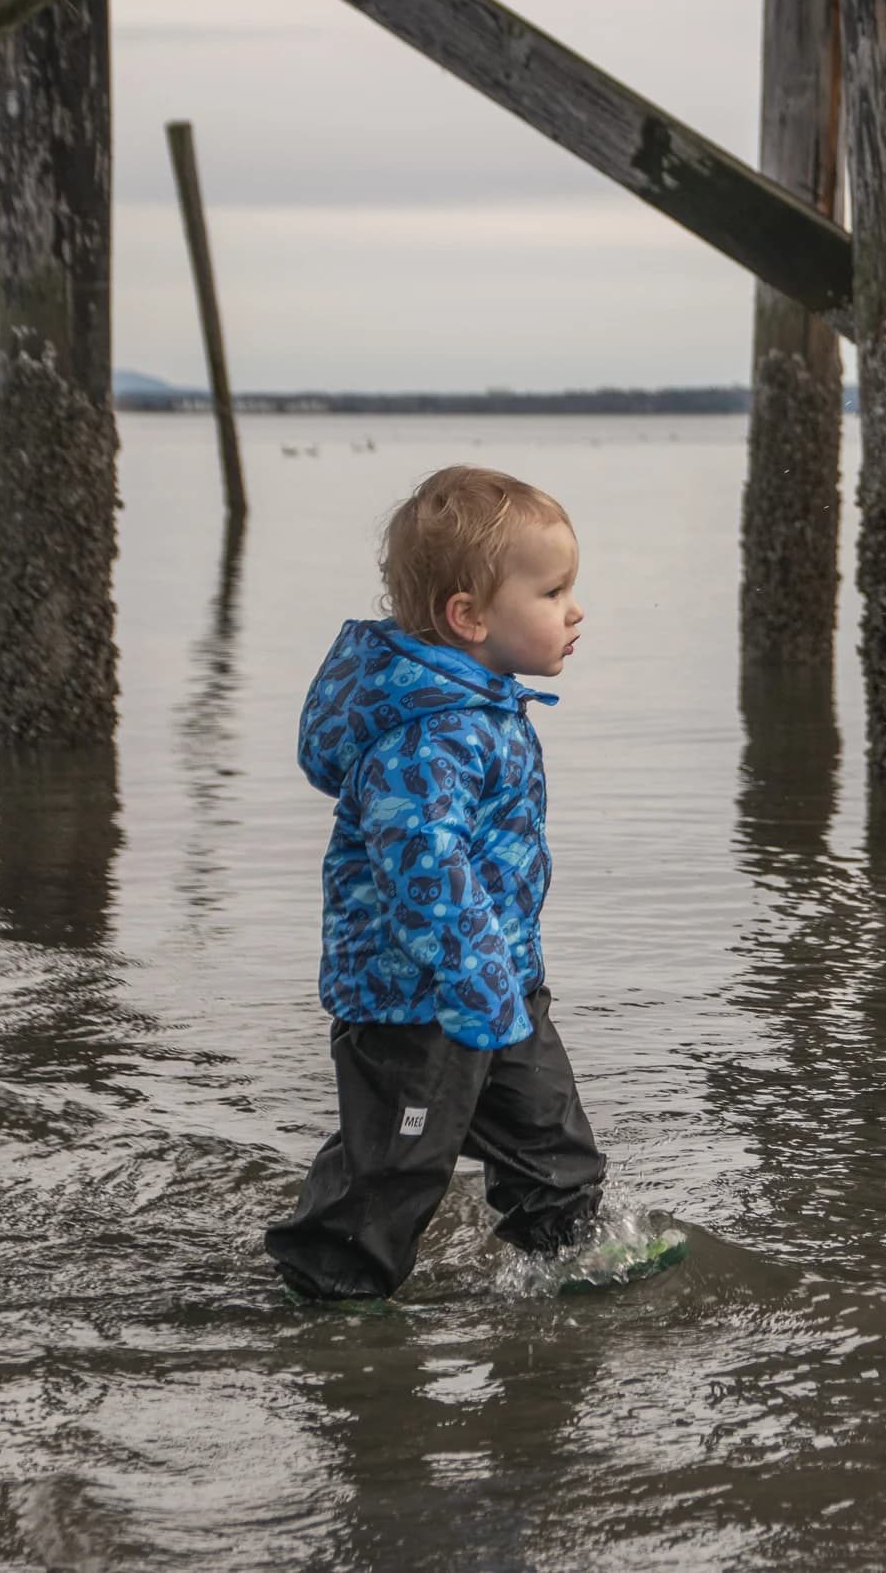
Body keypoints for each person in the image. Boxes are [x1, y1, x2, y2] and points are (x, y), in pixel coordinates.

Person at [265, 464, 606, 1300]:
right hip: (410, 1004)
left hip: (499, 988)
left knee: (557, 1154)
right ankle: (329, 1297)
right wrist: (476, 975)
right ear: (470, 616)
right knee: (390, 1175)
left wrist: (499, 980)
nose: (575, 610)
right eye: (554, 591)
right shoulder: (431, 734)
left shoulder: (484, 709)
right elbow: (424, 866)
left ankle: (566, 1269)